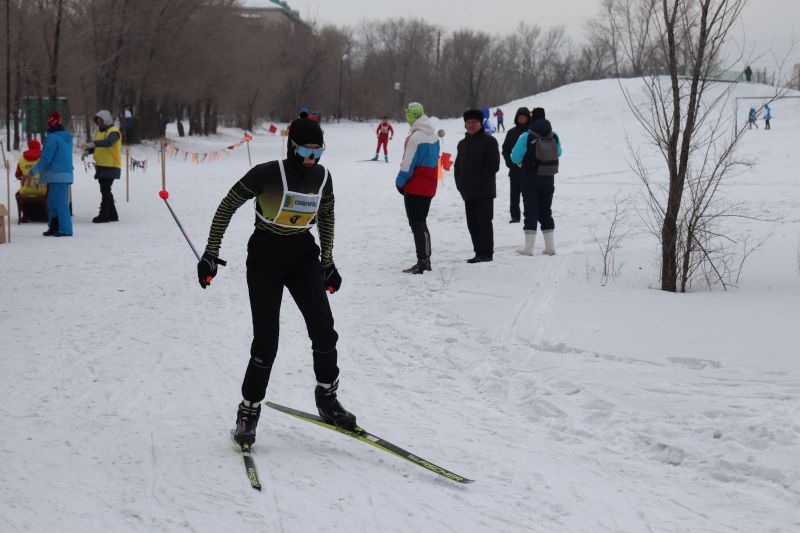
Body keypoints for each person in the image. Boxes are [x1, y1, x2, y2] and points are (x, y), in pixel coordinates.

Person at [198, 117, 355, 446]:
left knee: (324, 329)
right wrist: (211, 252)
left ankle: (327, 398)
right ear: (291, 147)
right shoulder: (267, 174)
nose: (312, 159)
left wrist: (327, 263)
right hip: (265, 258)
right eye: (306, 151)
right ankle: (248, 411)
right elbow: (227, 206)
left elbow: (326, 216)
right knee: (267, 341)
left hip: (302, 257)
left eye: (318, 152)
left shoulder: (323, 178)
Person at [396, 102, 440, 274]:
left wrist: (399, 182)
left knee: (416, 224)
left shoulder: (415, 137)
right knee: (421, 222)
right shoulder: (433, 135)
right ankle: (426, 258)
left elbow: (407, 165)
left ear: (411, 116)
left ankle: (422, 261)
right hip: (429, 186)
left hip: (415, 186)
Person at [511, 107, 562, 256]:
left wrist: (522, 161)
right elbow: (559, 153)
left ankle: (528, 248)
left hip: (530, 179)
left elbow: (514, 157)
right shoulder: (554, 135)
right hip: (548, 179)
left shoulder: (526, 136)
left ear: (532, 119)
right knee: (546, 211)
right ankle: (550, 247)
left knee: (531, 211)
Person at [454, 109, 500, 263]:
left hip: (484, 191)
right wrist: (460, 184)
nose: (471, 125)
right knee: (472, 224)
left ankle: (487, 253)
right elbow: (457, 166)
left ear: (481, 124)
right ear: (465, 124)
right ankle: (478, 252)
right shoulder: (462, 144)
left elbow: (493, 166)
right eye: (469, 122)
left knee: (484, 222)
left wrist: (479, 182)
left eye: (475, 122)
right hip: (468, 191)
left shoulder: (489, 141)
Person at [28, 112, 74, 237]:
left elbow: (46, 158)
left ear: (50, 124)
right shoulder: (65, 138)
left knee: (60, 203)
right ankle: (54, 227)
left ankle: (65, 229)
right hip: (62, 174)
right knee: (53, 202)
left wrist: (32, 171)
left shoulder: (53, 138)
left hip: (57, 175)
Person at [83, 109, 122, 223]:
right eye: (98, 121)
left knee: (105, 189)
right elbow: (97, 147)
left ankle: (104, 214)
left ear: (107, 120)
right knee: (105, 190)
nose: (99, 123)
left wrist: (94, 144)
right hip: (101, 165)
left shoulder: (113, 132)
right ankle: (113, 214)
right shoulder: (99, 132)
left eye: (101, 121)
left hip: (111, 165)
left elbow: (109, 142)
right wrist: (88, 151)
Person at [501, 107, 531, 224]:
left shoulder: (532, 132)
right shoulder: (511, 132)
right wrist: (509, 162)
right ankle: (515, 216)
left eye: (524, 117)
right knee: (514, 196)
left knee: (529, 195)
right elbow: (505, 149)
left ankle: (530, 215)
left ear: (528, 118)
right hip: (514, 170)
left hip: (529, 170)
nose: (522, 119)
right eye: (520, 117)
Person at [14, 139, 48, 222]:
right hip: (42, 189)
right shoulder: (44, 158)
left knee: (18, 194)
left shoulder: (22, 159)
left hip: (26, 189)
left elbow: (17, 175)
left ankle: (26, 215)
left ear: (29, 147)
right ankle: (45, 215)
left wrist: (23, 178)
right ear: (39, 147)